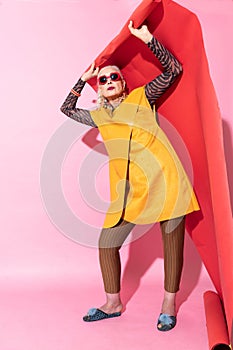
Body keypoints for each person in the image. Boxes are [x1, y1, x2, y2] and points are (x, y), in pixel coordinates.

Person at [60, 21, 200, 331]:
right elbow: (67, 109)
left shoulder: (142, 98)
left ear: (123, 84)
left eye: (115, 76)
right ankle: (113, 303)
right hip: (130, 192)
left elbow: (173, 70)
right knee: (107, 243)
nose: (109, 79)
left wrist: (148, 38)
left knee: (171, 243)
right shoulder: (98, 116)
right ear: (102, 88)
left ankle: (168, 304)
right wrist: (82, 80)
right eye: (104, 78)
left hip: (165, 178)